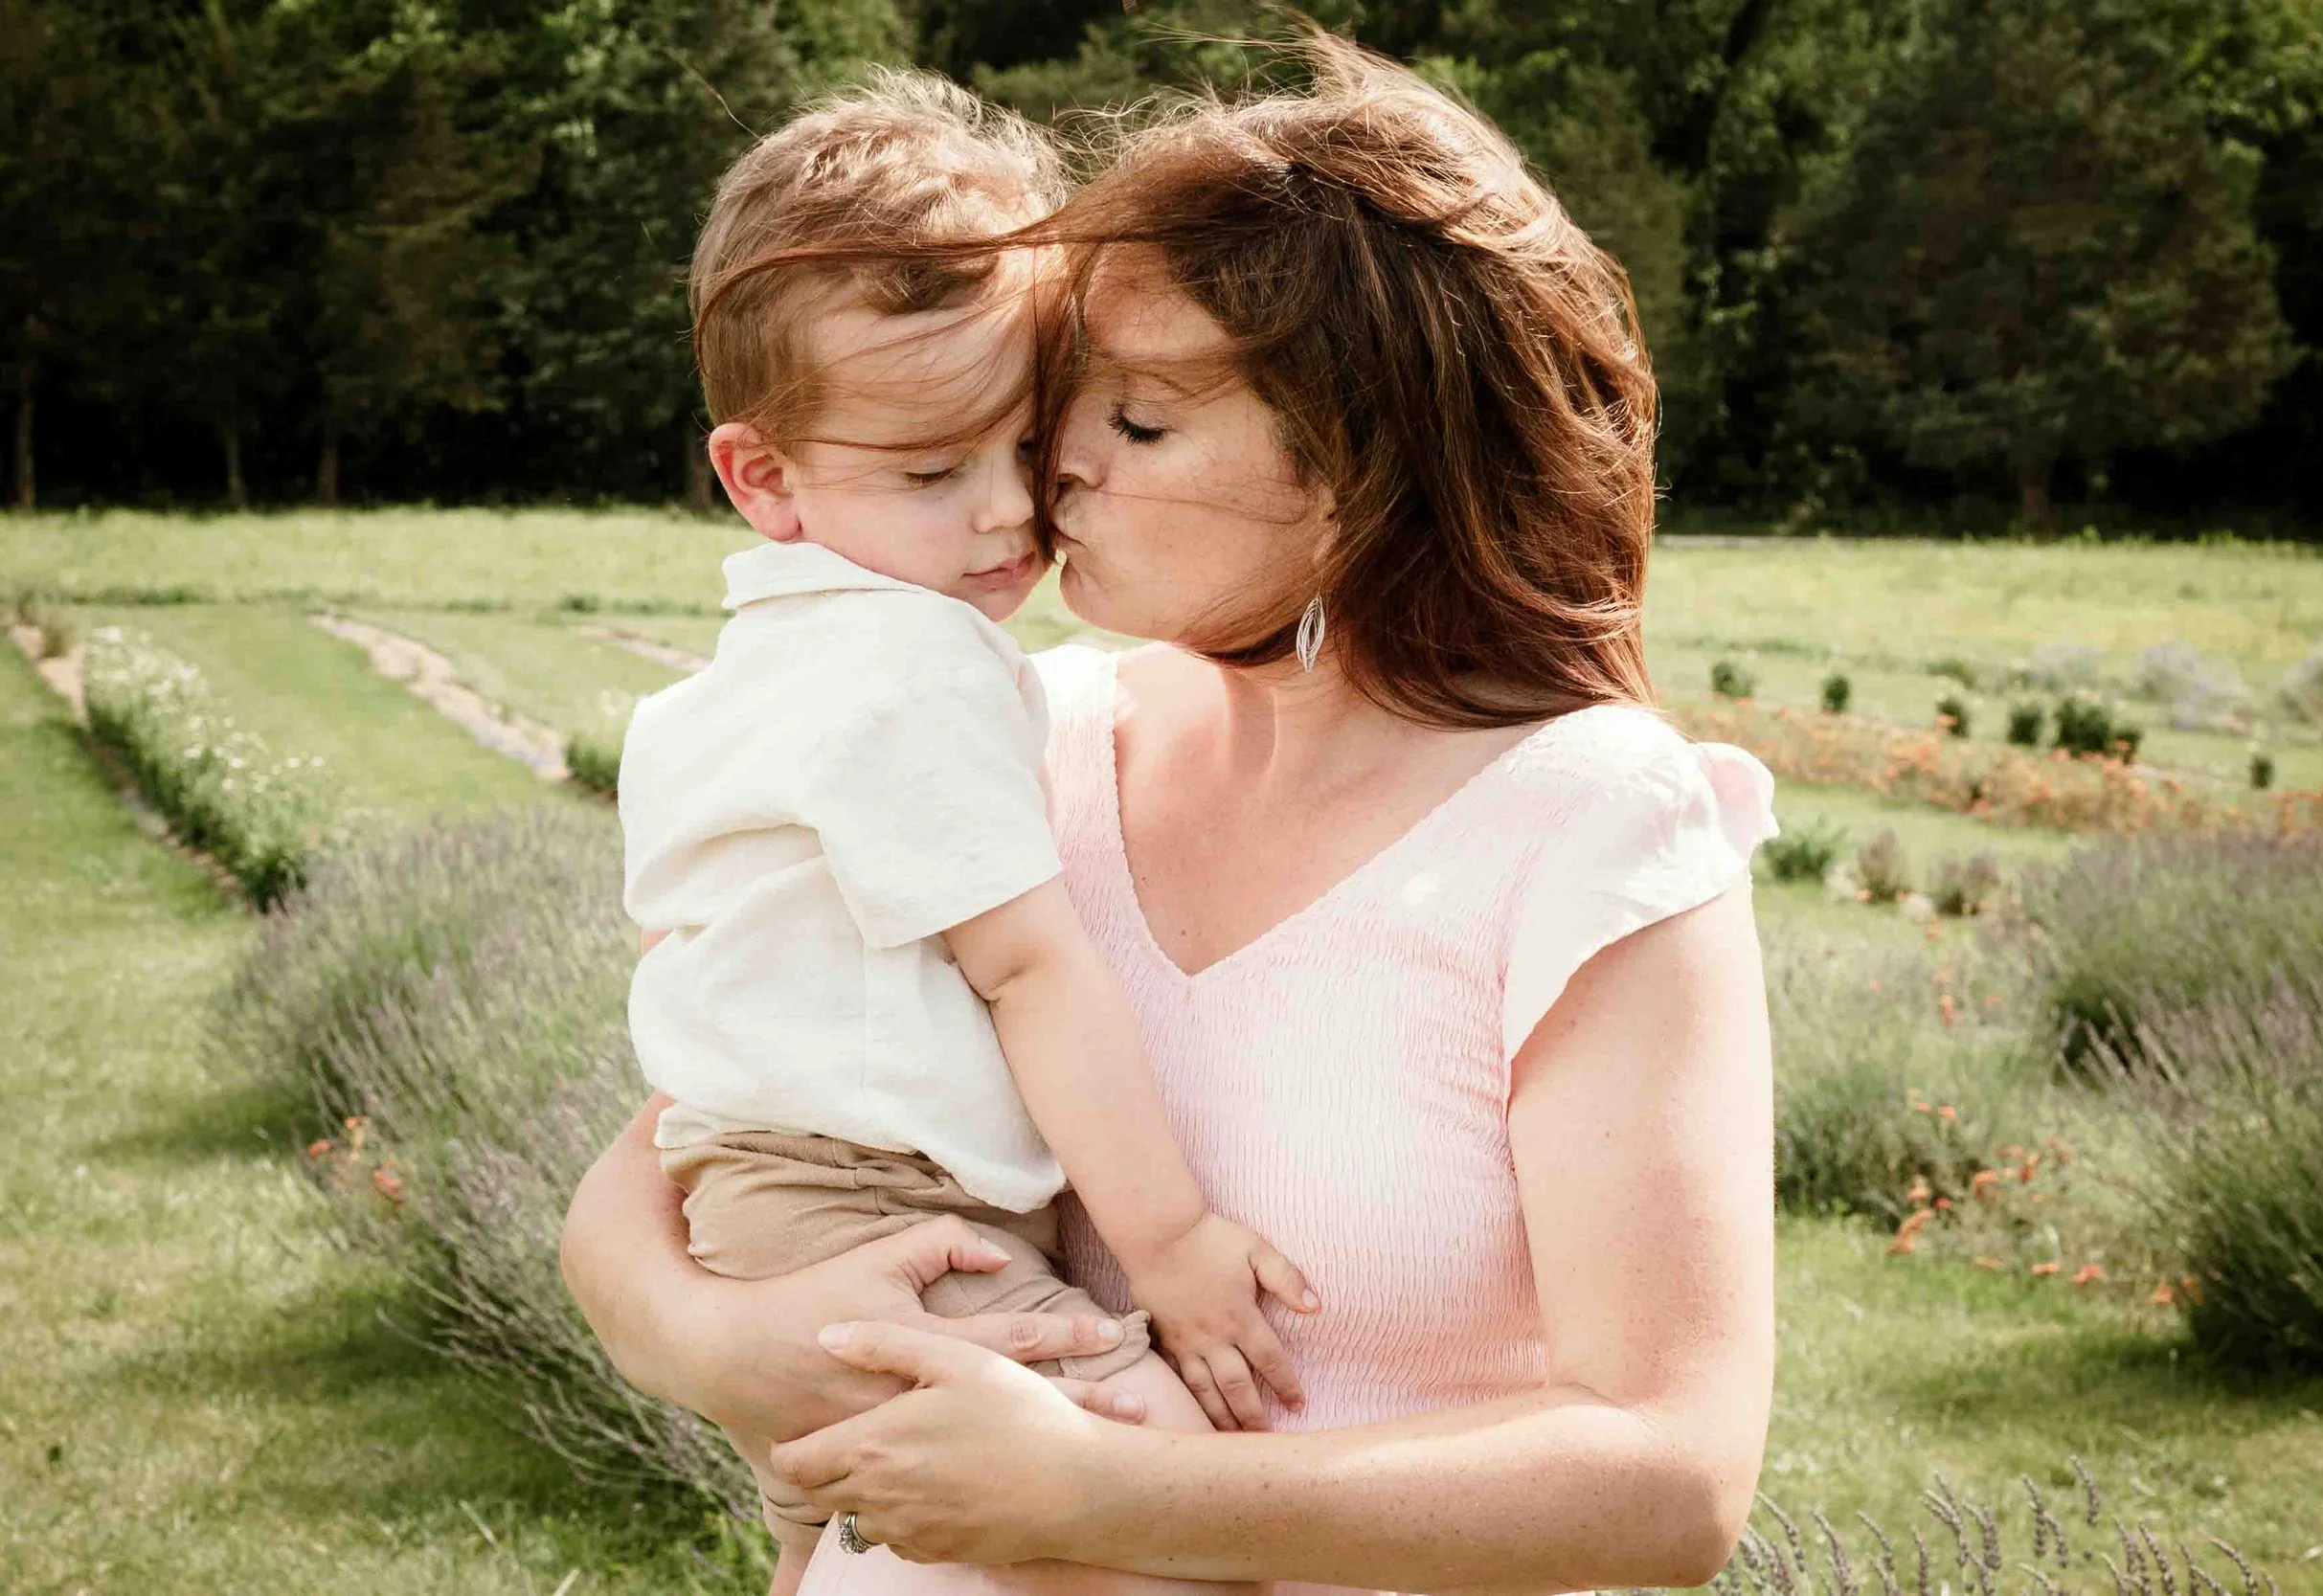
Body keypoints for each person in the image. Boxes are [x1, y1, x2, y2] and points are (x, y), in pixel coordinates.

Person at [564, 34, 1779, 1595]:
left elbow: (1669, 1479)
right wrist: (725, 1342)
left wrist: (1117, 1493)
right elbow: (674, 1136)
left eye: (1137, 425)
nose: (1053, 465)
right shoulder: (1037, 737)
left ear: (1364, 478)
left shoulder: (1586, 828)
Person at [621, 72, 1319, 1589]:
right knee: (1148, 1484)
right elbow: (1031, 971)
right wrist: (1179, 1240)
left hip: (753, 1192)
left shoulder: (746, 674)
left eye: (1025, 441)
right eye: (933, 472)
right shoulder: (911, 665)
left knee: (850, 1535)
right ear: (762, 476)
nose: (1011, 511)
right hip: (879, 1204)